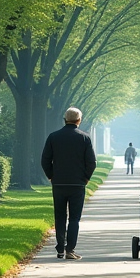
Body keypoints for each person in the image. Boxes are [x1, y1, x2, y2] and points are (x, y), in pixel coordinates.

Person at [41, 107, 96, 260]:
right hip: (77, 184)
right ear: (79, 120)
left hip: (58, 183)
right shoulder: (85, 138)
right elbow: (91, 162)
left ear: (65, 119)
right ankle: (70, 249)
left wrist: (51, 176)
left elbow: (45, 160)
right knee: (74, 219)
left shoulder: (53, 137)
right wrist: (85, 178)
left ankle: (59, 248)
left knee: (59, 217)